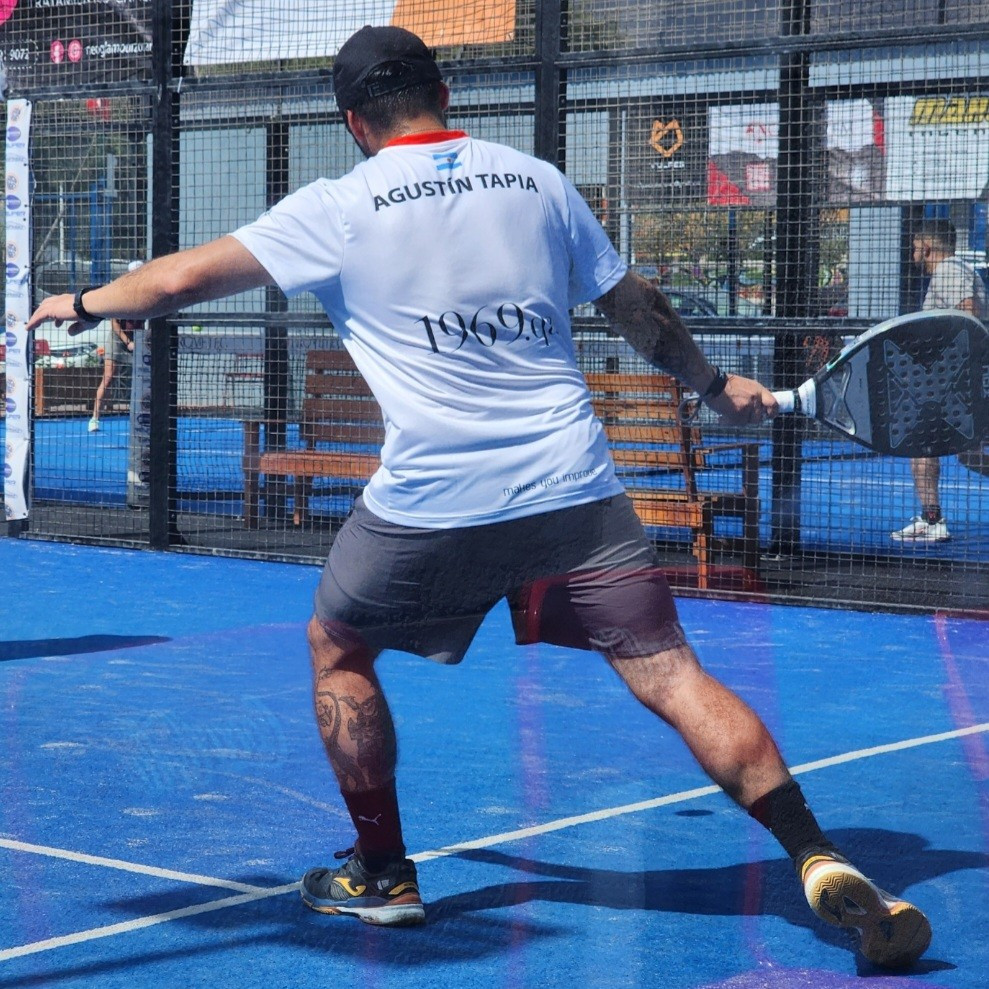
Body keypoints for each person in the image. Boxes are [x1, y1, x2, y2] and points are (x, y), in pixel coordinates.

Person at [27, 26, 931, 968]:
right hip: (574, 489)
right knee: (671, 675)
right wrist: (712, 385)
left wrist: (81, 304)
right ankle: (815, 851)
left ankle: (382, 873)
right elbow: (636, 305)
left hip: (435, 498)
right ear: (446, 95)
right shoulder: (536, 181)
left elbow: (176, 281)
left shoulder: (337, 206)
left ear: (353, 122)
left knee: (338, 647)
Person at [891, 219, 987, 541]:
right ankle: (931, 519)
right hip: (956, 381)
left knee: (922, 445)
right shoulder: (956, 271)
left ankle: (932, 521)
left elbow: (969, 314)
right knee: (967, 455)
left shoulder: (948, 271)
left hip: (952, 384)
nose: (913, 255)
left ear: (927, 248)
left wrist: (941, 365)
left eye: (916, 248)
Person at [88, 260, 146, 433]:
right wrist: (128, 342)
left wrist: (141, 339)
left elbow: (143, 321)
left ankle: (144, 417)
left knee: (144, 379)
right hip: (117, 339)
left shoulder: (147, 293)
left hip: (137, 337)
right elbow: (115, 324)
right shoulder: (121, 293)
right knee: (108, 378)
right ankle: (94, 419)